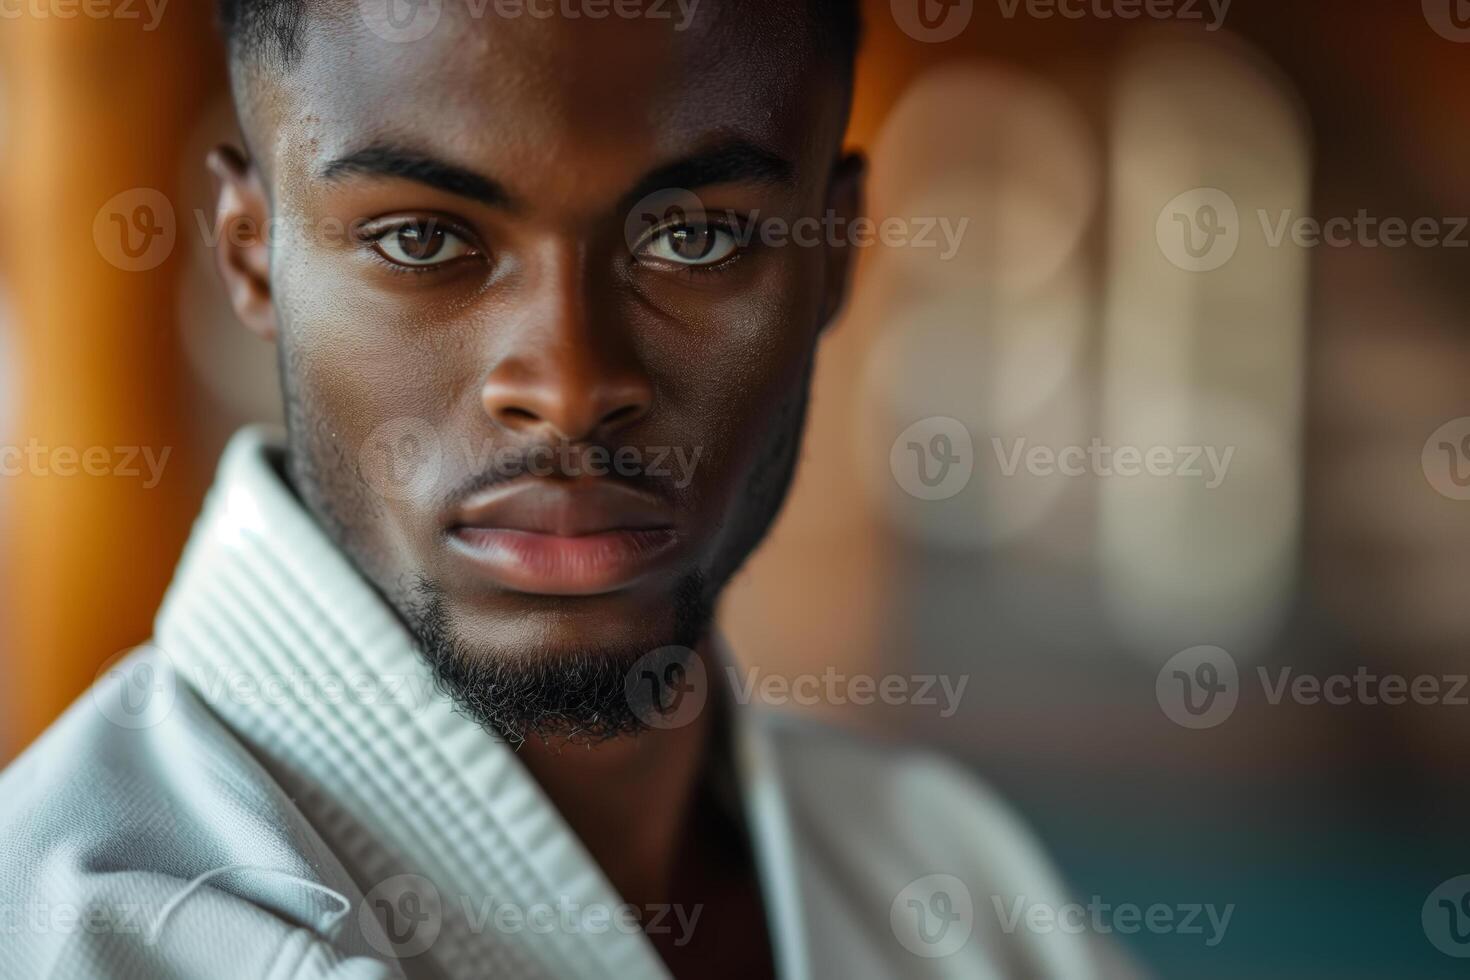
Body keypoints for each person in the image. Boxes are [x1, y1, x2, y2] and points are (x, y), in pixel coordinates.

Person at [0, 2, 1104, 977]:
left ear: (833, 253)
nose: (570, 387)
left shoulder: (956, 891)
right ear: (252, 254)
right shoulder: (90, 932)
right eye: (422, 238)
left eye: (694, 235)